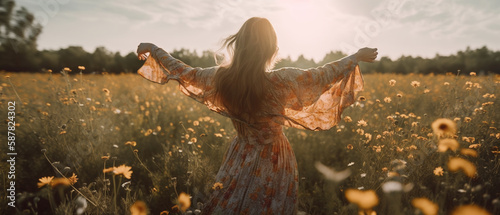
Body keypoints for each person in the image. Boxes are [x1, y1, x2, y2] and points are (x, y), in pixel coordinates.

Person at [137, 17, 377, 215]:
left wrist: (154, 48)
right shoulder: (282, 80)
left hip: (240, 153)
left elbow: (184, 71)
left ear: (239, 44)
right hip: (275, 157)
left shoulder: (222, 78)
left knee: (230, 204)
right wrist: (355, 57)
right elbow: (322, 75)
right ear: (272, 48)